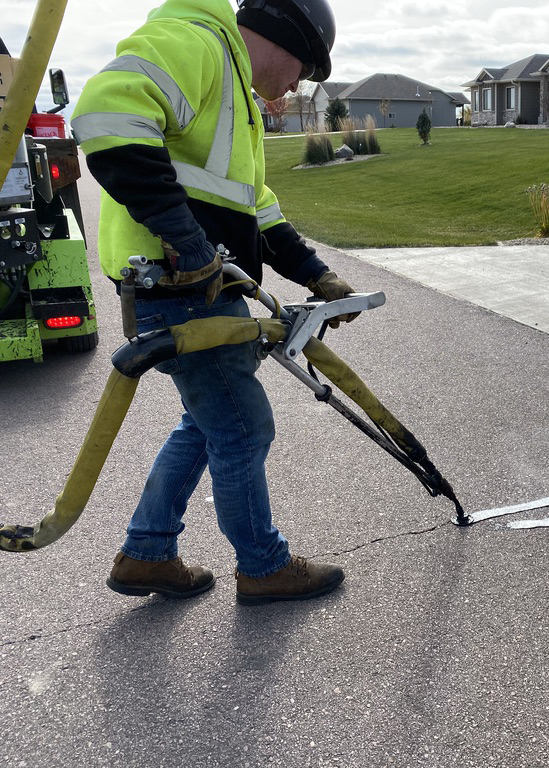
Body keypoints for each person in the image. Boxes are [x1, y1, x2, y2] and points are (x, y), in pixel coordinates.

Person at [71, 0, 356, 604]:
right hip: (181, 293)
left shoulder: (236, 98)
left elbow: (258, 210)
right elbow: (106, 112)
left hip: (203, 294)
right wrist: (186, 239)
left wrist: (318, 276)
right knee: (244, 429)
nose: (296, 85)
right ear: (286, 40)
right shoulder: (198, 42)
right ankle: (263, 566)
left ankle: (146, 553)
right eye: (304, 70)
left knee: (206, 426)